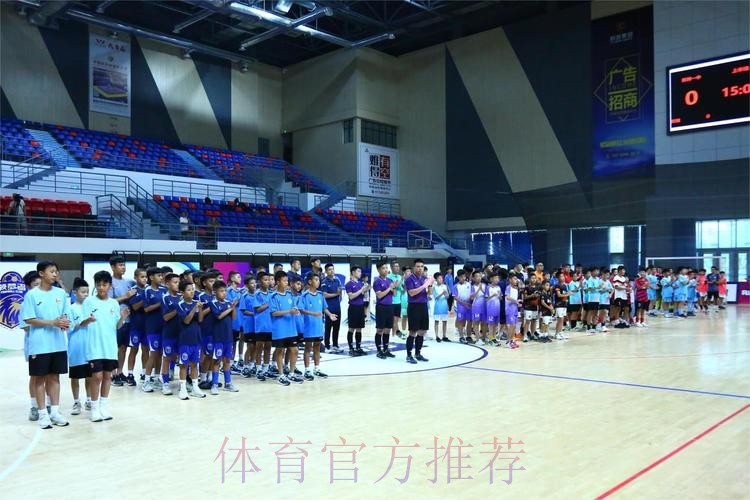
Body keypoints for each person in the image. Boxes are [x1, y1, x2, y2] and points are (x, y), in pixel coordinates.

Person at [21, 261, 72, 429]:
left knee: (55, 378)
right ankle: (42, 414)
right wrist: (52, 322)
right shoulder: (32, 295)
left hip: (58, 344)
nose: (55, 274)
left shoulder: (60, 293)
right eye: (52, 271)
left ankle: (55, 412)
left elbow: (65, 314)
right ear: (41, 274)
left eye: (56, 271)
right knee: (39, 379)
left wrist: (65, 323)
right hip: (39, 345)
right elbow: (28, 319)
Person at [83, 270, 128, 422]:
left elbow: (117, 326)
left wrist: (122, 318)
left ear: (110, 286)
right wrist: (87, 320)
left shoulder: (114, 303)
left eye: (104, 284)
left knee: (108, 376)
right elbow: (82, 323)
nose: (101, 287)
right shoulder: (89, 302)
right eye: (98, 285)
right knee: (97, 377)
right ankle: (94, 408)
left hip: (110, 347)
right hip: (94, 346)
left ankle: (103, 406)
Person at [270, 271, 302, 386]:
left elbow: (294, 307)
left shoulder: (290, 295)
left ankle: (291, 373)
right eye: (284, 281)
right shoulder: (273, 296)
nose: (286, 283)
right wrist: (289, 311)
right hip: (279, 329)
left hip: (291, 328)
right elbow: (273, 313)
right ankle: (281, 375)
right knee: (280, 351)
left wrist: (295, 310)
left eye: (287, 281)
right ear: (278, 282)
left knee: (295, 350)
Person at [299, 272, 333, 379]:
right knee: (308, 348)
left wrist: (330, 314)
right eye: (316, 280)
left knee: (317, 347)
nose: (318, 282)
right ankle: (307, 370)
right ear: (310, 281)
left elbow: (324, 308)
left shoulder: (320, 295)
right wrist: (313, 313)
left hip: (318, 326)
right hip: (309, 327)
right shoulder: (304, 295)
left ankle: (317, 368)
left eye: (319, 280)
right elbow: (301, 309)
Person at [209, 281, 240, 395]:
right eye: (221, 291)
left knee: (227, 360)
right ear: (215, 292)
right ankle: (214, 384)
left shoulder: (228, 303)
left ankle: (228, 383)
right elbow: (219, 316)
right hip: (218, 338)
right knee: (216, 361)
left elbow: (233, 317)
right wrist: (231, 308)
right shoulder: (213, 303)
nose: (224, 293)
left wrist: (233, 308)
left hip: (228, 337)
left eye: (225, 291)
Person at [109, 256, 136, 386]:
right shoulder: (110, 282)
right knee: (114, 347)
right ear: (113, 267)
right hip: (116, 320)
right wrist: (125, 296)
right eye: (120, 265)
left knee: (123, 348)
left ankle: (120, 372)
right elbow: (108, 301)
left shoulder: (129, 282)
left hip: (129, 319)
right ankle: (112, 374)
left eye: (124, 265)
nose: (123, 267)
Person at [176, 280, 205, 400]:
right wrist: (194, 309)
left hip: (196, 339)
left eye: (192, 289)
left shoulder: (196, 303)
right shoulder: (180, 305)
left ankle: (195, 387)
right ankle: (183, 389)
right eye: (189, 290)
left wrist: (200, 309)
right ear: (182, 292)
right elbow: (187, 321)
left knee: (195, 364)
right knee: (184, 365)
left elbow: (200, 320)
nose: (192, 292)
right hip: (185, 340)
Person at [68, 278, 93, 415]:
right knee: (75, 377)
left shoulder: (91, 307)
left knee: (90, 376)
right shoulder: (70, 309)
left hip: (89, 347)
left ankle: (89, 400)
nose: (86, 294)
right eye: (83, 292)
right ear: (75, 292)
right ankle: (76, 401)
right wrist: (84, 322)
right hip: (76, 347)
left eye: (87, 292)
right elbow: (71, 326)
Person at [141, 267, 165, 393]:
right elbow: (146, 309)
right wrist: (160, 304)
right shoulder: (147, 290)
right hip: (152, 328)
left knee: (160, 353)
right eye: (159, 275)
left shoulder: (164, 290)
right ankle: (146, 381)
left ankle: (156, 378)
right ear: (151, 277)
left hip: (163, 327)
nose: (161, 278)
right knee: (153, 353)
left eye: (162, 275)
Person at [405, 259, 433, 364]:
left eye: (421, 266)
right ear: (414, 268)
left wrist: (430, 285)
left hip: (423, 306)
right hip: (414, 307)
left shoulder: (425, 278)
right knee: (413, 332)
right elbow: (412, 293)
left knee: (422, 331)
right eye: (418, 266)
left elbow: (429, 294)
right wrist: (424, 286)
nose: (420, 268)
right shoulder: (409, 279)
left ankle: (418, 353)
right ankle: (409, 355)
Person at [159, 273, 181, 395]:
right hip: (168, 334)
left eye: (178, 282)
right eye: (175, 282)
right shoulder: (165, 298)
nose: (178, 285)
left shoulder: (181, 297)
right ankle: (165, 383)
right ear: (167, 284)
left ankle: (184, 383)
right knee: (166, 358)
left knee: (182, 358)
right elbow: (166, 317)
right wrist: (178, 308)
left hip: (181, 334)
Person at [124, 268, 147, 386]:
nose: (144, 279)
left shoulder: (149, 289)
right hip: (135, 326)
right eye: (142, 277)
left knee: (146, 350)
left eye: (146, 277)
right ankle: (130, 374)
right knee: (134, 349)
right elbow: (135, 307)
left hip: (147, 326)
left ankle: (144, 373)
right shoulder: (132, 290)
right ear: (135, 278)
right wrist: (145, 298)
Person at [252, 271, 274, 381]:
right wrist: (268, 304)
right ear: (260, 282)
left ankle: (266, 368)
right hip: (261, 326)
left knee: (268, 348)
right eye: (265, 280)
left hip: (270, 325)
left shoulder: (272, 294)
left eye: (269, 280)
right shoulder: (257, 294)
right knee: (259, 348)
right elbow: (258, 309)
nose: (268, 282)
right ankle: (258, 369)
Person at [372, 262, 396, 359]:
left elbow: (394, 294)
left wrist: (394, 288)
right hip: (381, 307)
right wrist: (389, 288)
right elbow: (379, 295)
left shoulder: (390, 280)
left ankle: (386, 350)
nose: (386, 270)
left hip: (390, 307)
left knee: (387, 329)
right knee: (380, 330)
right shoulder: (377, 282)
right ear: (378, 270)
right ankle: (379, 351)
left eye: (386, 268)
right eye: (383, 268)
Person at [345, 266, 368, 356]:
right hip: (353, 308)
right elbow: (351, 296)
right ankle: (351, 348)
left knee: (359, 328)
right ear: (353, 272)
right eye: (358, 271)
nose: (360, 273)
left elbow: (362, 295)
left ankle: (358, 347)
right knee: (351, 328)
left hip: (360, 307)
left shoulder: (361, 283)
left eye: (360, 271)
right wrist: (361, 290)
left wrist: (365, 290)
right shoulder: (349, 284)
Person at [321, 263, 344, 353]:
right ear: (326, 271)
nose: (332, 271)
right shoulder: (324, 282)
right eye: (329, 269)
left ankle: (335, 345)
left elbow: (340, 291)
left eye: (332, 269)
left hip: (337, 307)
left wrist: (339, 293)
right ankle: (327, 346)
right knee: (328, 328)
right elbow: (324, 295)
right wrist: (336, 294)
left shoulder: (337, 280)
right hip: (329, 308)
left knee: (336, 327)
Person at [226, 271, 244, 371]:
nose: (240, 278)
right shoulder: (228, 291)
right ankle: (230, 363)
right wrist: (237, 300)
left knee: (239, 340)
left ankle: (239, 359)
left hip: (240, 319)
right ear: (232, 279)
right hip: (232, 320)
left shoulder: (240, 291)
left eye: (240, 277)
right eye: (238, 277)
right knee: (232, 342)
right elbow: (230, 304)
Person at [239, 275, 257, 377]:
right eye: (251, 283)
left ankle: (252, 364)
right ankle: (245, 366)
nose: (254, 285)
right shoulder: (245, 296)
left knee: (256, 346)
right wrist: (255, 314)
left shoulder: (258, 295)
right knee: (250, 346)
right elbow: (243, 310)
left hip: (257, 325)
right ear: (246, 285)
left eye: (255, 283)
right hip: (249, 325)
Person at [453, 269, 471, 343]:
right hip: (460, 306)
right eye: (461, 277)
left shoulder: (469, 284)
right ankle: (461, 337)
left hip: (469, 305)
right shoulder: (455, 286)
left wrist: (469, 302)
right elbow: (455, 297)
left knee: (469, 321)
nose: (463, 278)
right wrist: (464, 303)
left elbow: (471, 294)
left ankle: (469, 336)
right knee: (461, 321)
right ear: (458, 277)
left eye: (464, 276)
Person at [432, 272, 450, 343]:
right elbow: (436, 298)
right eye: (439, 278)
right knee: (436, 321)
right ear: (436, 279)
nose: (441, 279)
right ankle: (437, 336)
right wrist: (442, 293)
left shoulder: (445, 286)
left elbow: (447, 296)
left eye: (441, 278)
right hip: (437, 306)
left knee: (445, 321)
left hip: (444, 305)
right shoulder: (434, 287)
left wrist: (446, 295)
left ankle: (444, 336)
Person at [386, 262, 404, 338]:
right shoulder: (388, 277)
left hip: (398, 301)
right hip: (391, 302)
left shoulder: (399, 277)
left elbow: (402, 289)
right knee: (393, 320)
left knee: (396, 319)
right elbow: (394, 286)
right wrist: (402, 279)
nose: (397, 268)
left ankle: (395, 334)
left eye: (398, 266)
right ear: (392, 268)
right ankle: (393, 335)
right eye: (395, 266)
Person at [484, 273, 502, 346]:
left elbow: (500, 298)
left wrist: (499, 296)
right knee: (491, 325)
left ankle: (494, 338)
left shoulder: (499, 288)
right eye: (496, 278)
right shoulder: (488, 288)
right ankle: (490, 339)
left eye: (498, 278)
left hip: (497, 308)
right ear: (491, 279)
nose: (497, 279)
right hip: (490, 309)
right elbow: (486, 299)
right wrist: (492, 295)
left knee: (496, 324)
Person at [503, 274, 521, 349]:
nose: (516, 280)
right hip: (509, 309)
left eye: (516, 279)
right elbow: (507, 297)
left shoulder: (516, 289)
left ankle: (512, 341)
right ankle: (508, 342)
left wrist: (518, 302)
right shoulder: (508, 287)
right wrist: (515, 301)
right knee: (512, 325)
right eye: (514, 279)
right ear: (510, 280)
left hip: (515, 309)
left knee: (514, 326)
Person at [469, 271, 486, 345]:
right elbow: (471, 297)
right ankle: (478, 339)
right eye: (477, 276)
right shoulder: (472, 287)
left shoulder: (485, 285)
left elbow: (488, 296)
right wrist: (478, 290)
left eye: (479, 276)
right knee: (476, 322)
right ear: (473, 278)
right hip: (476, 307)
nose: (478, 278)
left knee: (484, 323)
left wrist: (482, 290)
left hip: (484, 306)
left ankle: (483, 337)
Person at [553, 271, 569, 340]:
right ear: (558, 278)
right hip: (558, 305)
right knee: (560, 319)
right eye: (561, 276)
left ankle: (560, 332)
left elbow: (565, 294)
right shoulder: (557, 285)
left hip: (564, 304)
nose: (563, 277)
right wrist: (567, 294)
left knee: (562, 320)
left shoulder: (565, 285)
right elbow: (559, 295)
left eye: (563, 276)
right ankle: (557, 333)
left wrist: (567, 296)